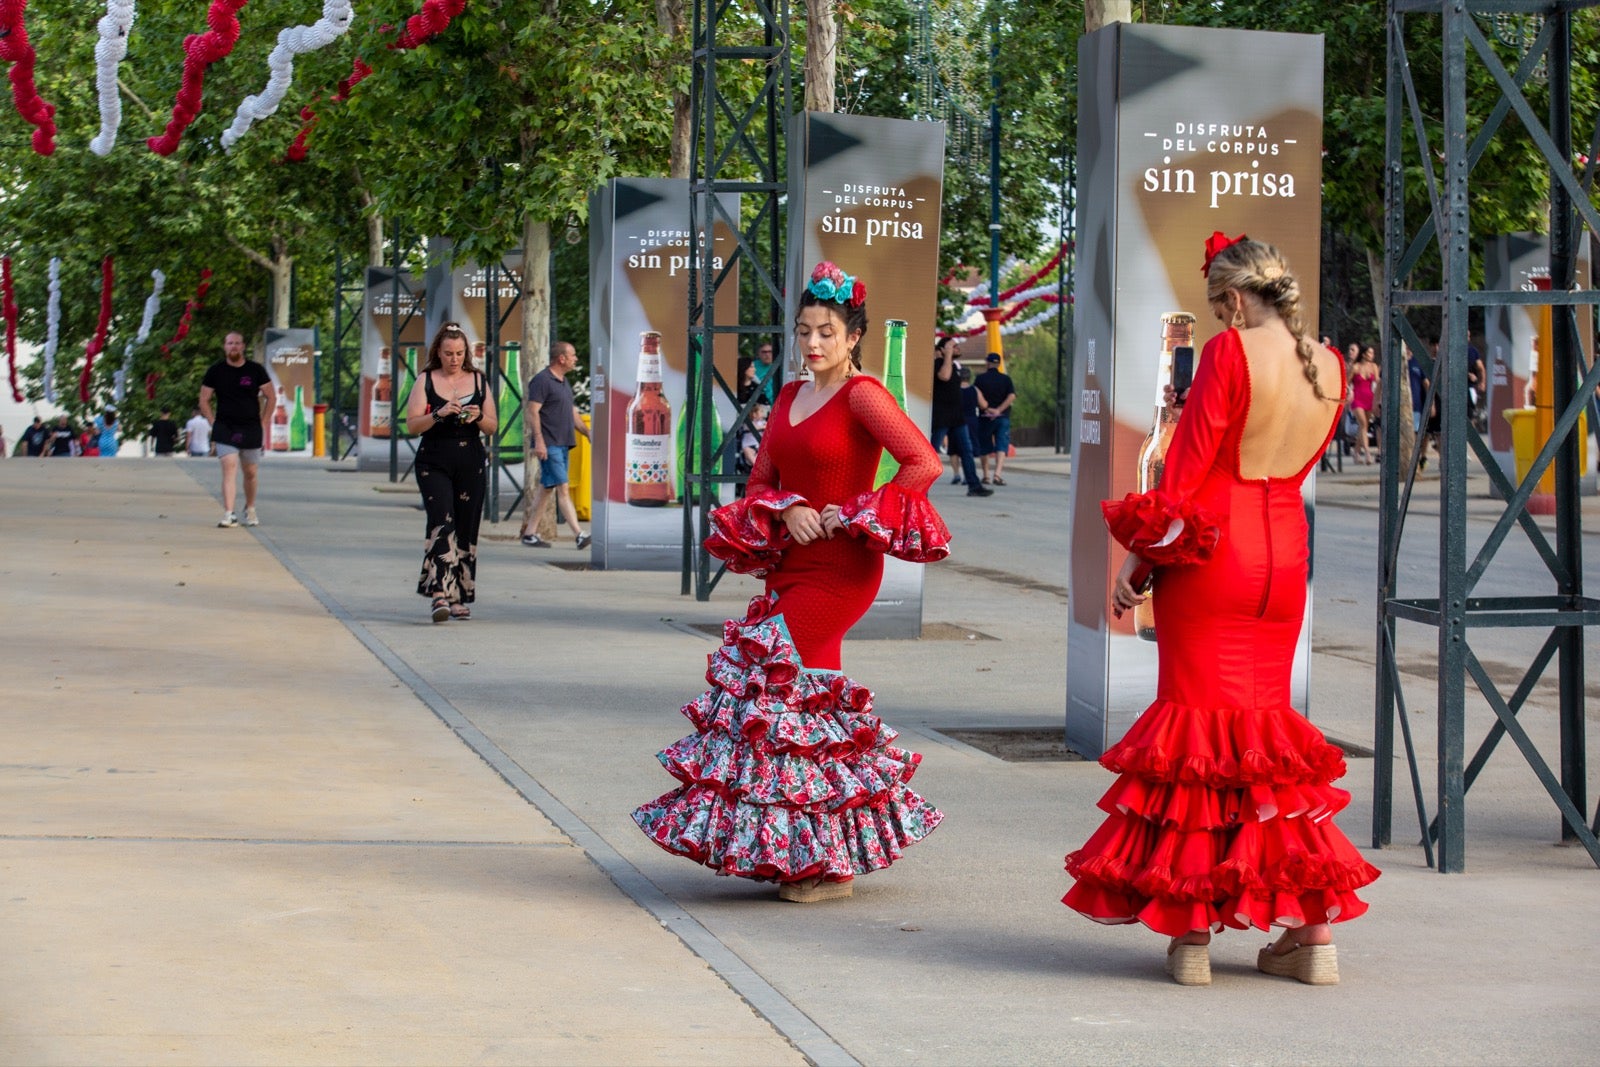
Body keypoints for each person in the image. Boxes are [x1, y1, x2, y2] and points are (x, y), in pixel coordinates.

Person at [1063, 234, 1378, 986]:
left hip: (1216, 557)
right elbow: (1296, 467)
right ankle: (1313, 935)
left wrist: (1136, 564)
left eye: (1215, 307)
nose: (1214, 322)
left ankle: (1194, 933)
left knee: (1197, 737)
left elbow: (1186, 472)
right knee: (1271, 746)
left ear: (1235, 300)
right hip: (1283, 558)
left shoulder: (1230, 355)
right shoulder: (1329, 365)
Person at [632, 260, 950, 903]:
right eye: (805, 330)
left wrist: (860, 511)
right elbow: (759, 484)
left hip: (840, 571)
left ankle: (820, 859)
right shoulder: (785, 397)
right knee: (804, 708)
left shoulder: (864, 396)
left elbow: (923, 461)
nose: (813, 344)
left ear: (853, 336)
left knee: (769, 682)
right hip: (789, 565)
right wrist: (790, 508)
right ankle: (821, 858)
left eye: (827, 331)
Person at [405, 321, 498, 622]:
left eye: (459, 353)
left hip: (470, 459)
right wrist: (438, 413)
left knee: (466, 527)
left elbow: (493, 426)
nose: (454, 359)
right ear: (438, 352)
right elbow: (413, 425)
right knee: (442, 523)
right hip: (434, 460)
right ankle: (439, 595)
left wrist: (478, 415)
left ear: (466, 353)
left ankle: (459, 595)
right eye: (448, 353)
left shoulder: (479, 380)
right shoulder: (426, 380)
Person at [520, 341, 592, 549]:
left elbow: (572, 412)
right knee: (563, 487)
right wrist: (539, 441)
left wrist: (586, 432)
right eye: (572, 355)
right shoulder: (542, 381)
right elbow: (533, 411)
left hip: (563, 443)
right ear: (561, 358)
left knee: (547, 488)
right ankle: (579, 534)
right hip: (549, 444)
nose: (575, 359)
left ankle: (530, 533)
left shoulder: (562, 382)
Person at [199, 332, 276, 527]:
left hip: (251, 427)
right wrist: (213, 422)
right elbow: (204, 400)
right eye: (230, 343)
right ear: (224, 347)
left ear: (243, 347)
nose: (233, 346)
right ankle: (229, 513)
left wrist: (264, 422)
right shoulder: (215, 371)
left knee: (250, 472)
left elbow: (271, 396)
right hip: (225, 427)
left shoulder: (255, 370)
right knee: (229, 465)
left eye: (237, 343)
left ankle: (250, 508)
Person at [930, 337, 990, 496]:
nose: (957, 348)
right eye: (952, 346)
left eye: (956, 346)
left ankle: (974, 486)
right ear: (942, 350)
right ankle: (921, 489)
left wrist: (949, 356)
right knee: (930, 452)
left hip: (957, 417)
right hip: (942, 417)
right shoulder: (938, 364)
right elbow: (944, 376)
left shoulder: (955, 366)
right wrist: (947, 356)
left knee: (967, 451)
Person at [974, 352, 1016, 485]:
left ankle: (986, 475)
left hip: (984, 417)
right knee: (1001, 445)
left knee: (984, 446)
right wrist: (998, 410)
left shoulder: (980, 379)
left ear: (987, 363)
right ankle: (997, 474)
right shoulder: (1006, 379)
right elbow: (1011, 396)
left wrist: (987, 409)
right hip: (1002, 417)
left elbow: (976, 395)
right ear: (998, 363)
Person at [1347, 342, 1378, 465]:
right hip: (1357, 398)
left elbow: (1377, 383)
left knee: (1362, 427)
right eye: (1370, 353)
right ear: (1364, 354)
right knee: (1363, 424)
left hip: (1369, 398)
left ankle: (1356, 452)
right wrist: (1349, 393)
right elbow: (1346, 382)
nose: (1372, 355)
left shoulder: (1374, 367)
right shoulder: (1355, 367)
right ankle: (1368, 454)